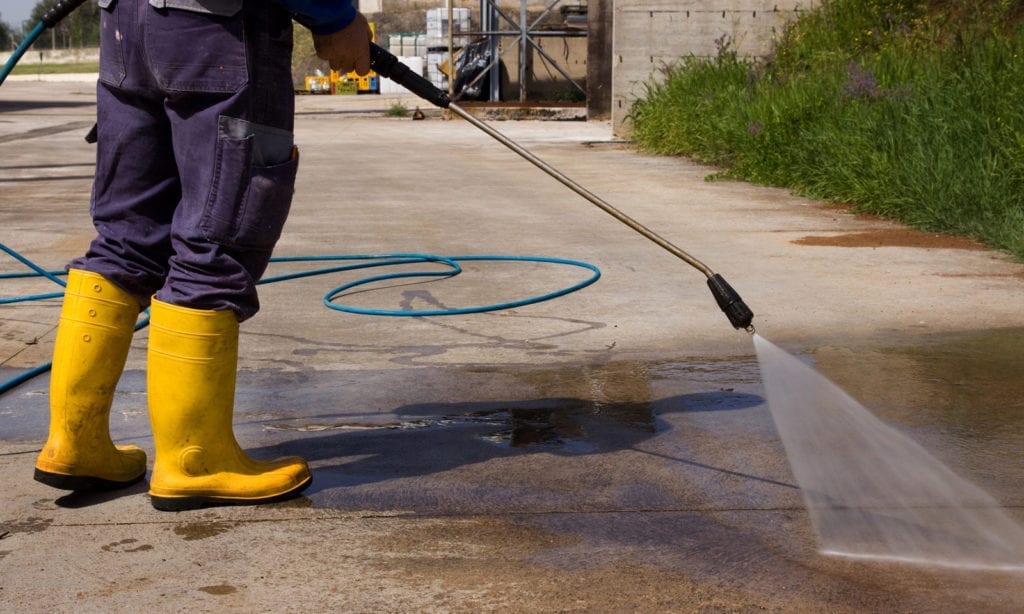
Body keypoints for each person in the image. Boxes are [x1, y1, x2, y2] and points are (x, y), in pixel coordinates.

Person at [33, 0, 371, 511]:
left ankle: (74, 441)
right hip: (220, 31)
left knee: (126, 239)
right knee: (219, 238)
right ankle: (196, 460)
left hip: (126, 25)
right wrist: (333, 17)